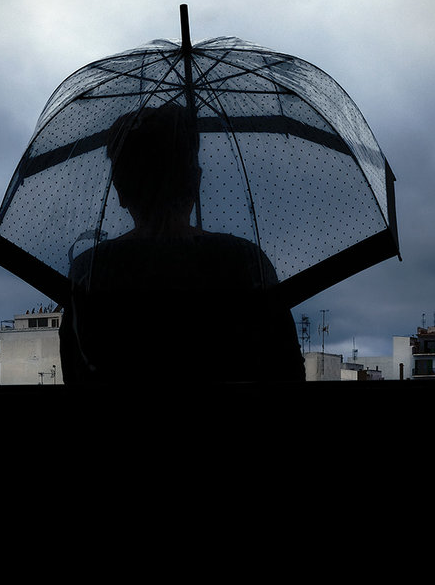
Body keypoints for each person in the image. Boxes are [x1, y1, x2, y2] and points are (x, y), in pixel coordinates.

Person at [60, 104, 305, 384]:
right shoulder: (246, 261)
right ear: (195, 181)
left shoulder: (89, 272)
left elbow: (76, 376)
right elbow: (288, 372)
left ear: (119, 189)